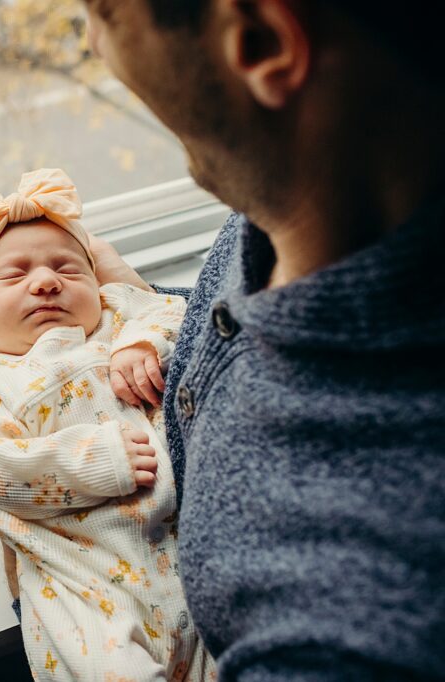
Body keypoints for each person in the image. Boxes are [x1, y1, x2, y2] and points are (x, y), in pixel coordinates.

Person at [79, 1, 445, 679]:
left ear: (260, 41)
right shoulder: (306, 191)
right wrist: (147, 306)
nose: (93, 43)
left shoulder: (342, 629)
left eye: (103, 12)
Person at [0, 168, 214, 681]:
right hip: (86, 587)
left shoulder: (116, 318)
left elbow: (176, 313)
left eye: (68, 269)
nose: (46, 281)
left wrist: (142, 342)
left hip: (185, 561)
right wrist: (99, 459)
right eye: (14, 275)